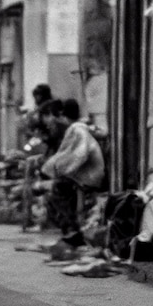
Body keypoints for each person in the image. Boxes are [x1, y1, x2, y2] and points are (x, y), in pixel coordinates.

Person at [40, 98, 105, 246]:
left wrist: (54, 169)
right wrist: (51, 167)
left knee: (59, 188)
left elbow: (77, 156)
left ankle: (72, 231)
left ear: (60, 115)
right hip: (85, 173)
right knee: (57, 185)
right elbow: (66, 155)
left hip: (90, 175)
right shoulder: (77, 129)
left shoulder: (77, 130)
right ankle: (71, 230)